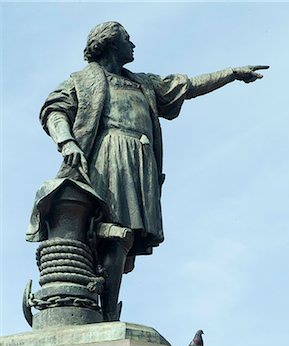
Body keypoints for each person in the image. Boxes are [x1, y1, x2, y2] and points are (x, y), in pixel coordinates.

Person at [38, 21, 268, 320]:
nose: (133, 45)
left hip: (139, 162)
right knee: (111, 232)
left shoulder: (143, 83)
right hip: (107, 156)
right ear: (110, 44)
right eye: (127, 39)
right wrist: (67, 142)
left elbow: (188, 86)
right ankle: (96, 308)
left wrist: (232, 74)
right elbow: (54, 110)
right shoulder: (82, 81)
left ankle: (105, 310)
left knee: (124, 238)